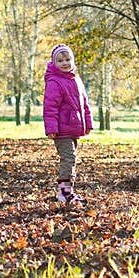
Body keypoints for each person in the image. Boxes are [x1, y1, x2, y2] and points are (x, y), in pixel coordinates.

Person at [42, 43, 93, 207]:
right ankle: (65, 193)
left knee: (71, 159)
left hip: (73, 128)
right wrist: (51, 128)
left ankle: (67, 191)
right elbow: (50, 107)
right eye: (60, 60)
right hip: (61, 130)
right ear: (54, 63)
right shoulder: (54, 82)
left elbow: (84, 103)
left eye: (67, 59)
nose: (65, 63)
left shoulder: (75, 79)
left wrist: (87, 123)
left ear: (73, 60)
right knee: (68, 158)